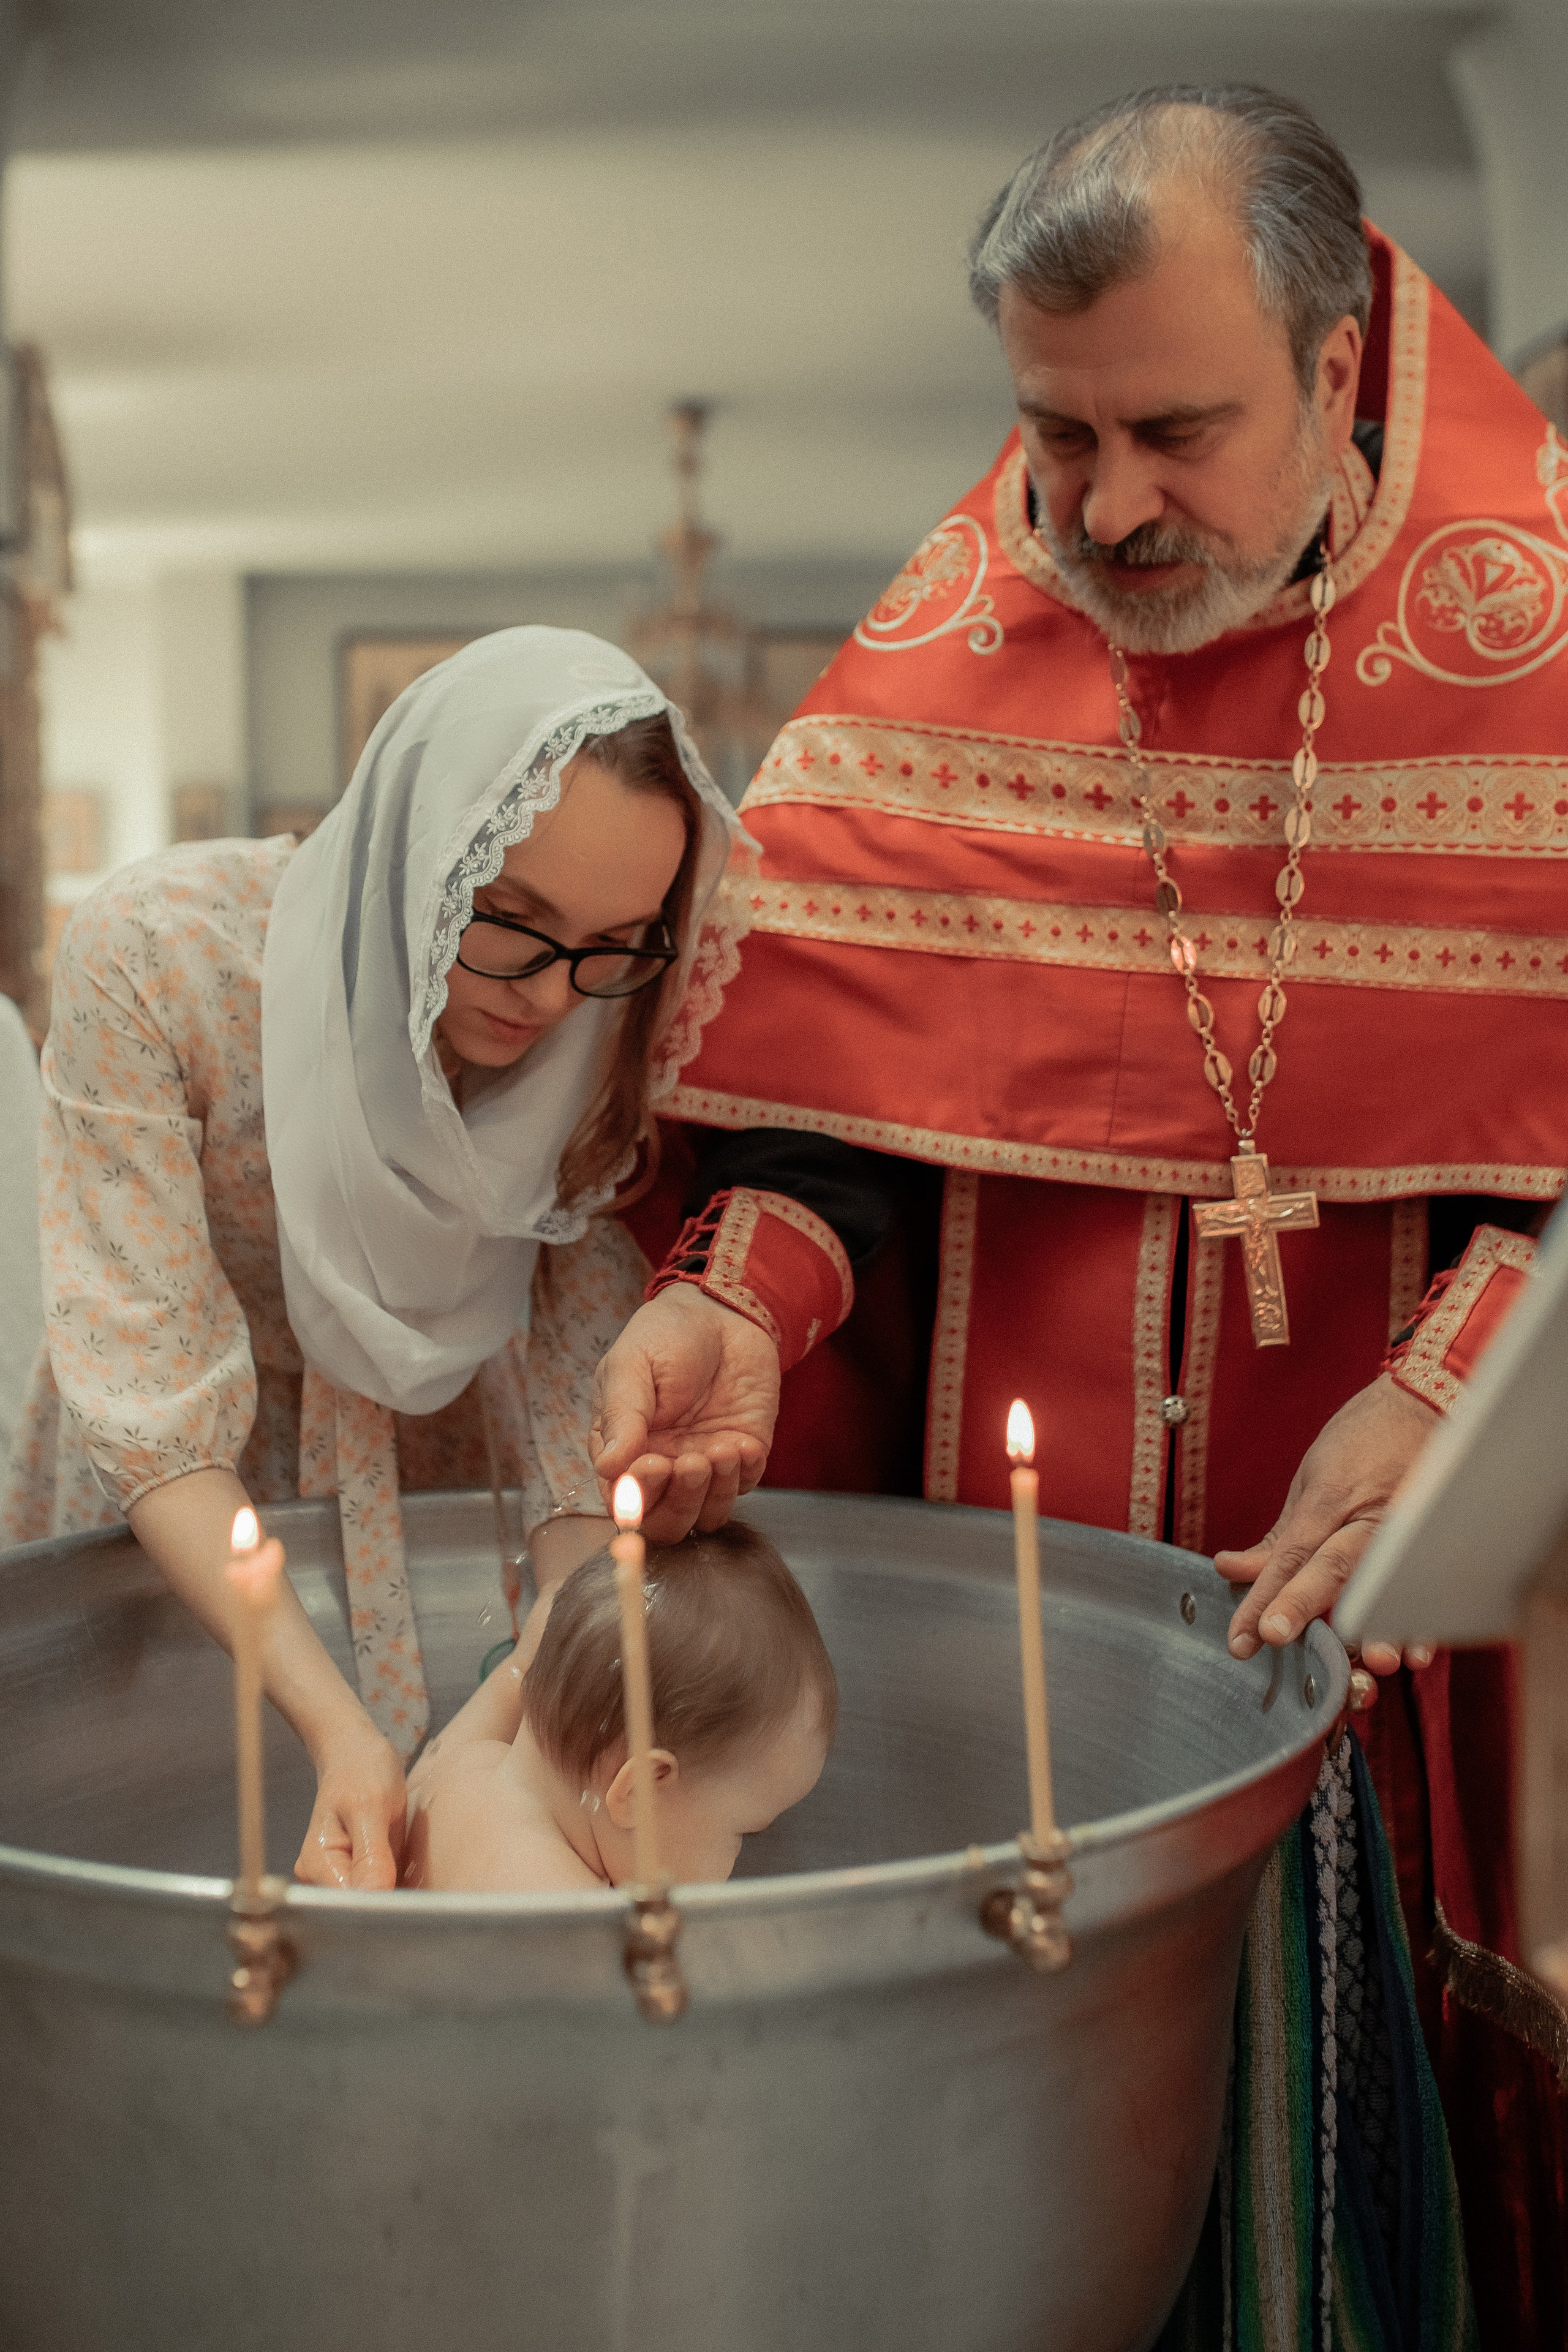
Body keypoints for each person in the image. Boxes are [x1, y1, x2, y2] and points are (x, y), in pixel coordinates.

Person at [592, 88, 1567, 2350]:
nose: (1098, 507)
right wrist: (747, 1300)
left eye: (1172, 429)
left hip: (1384, 1692)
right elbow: (827, 1119)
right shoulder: (938, 666)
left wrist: (1452, 1392)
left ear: (1335, 367)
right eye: (1051, 432)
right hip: (987, 1667)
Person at [1, 626, 755, 1893]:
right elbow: (158, 1409)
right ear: (421, 853)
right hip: (180, 1523)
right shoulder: (162, 962)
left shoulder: (608, 1030)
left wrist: (526, 1694)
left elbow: (583, 1416)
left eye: (615, 943)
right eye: (506, 921)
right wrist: (335, 1723)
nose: (551, 1001)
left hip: (444, 1490)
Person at [400, 1520, 835, 1892]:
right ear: (641, 1789)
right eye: (744, 1832)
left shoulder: (459, 1766)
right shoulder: (574, 1919)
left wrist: (519, 1665)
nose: (738, 1861)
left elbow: (512, 1682)